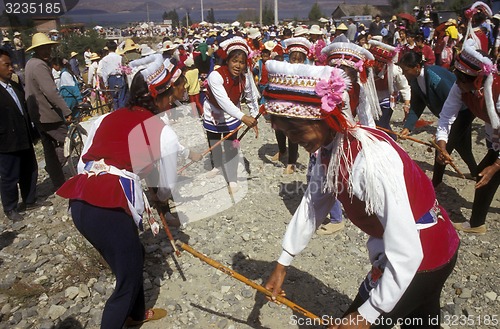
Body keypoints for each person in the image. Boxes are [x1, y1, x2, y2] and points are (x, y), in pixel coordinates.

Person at [262, 60, 459, 328]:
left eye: (296, 130)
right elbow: (313, 205)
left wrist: (369, 313)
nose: (294, 139)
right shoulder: (332, 148)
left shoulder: (368, 161)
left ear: (326, 117)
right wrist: (283, 262)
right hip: (430, 248)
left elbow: (407, 249)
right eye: (287, 133)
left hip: (422, 257)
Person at [56, 54, 183, 327]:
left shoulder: (108, 117)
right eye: (172, 92)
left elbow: (83, 162)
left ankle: (136, 315)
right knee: (125, 284)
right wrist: (156, 200)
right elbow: (166, 188)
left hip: (80, 200)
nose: (174, 99)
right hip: (108, 209)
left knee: (134, 256)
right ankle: (121, 317)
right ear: (159, 95)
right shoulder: (164, 132)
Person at [436, 39, 499, 234]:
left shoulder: (497, 91)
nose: (457, 83)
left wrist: (495, 166)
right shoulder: (461, 87)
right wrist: (442, 145)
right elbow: (446, 117)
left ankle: (476, 224)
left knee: (486, 173)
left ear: (478, 80)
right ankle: (477, 224)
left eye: (461, 79)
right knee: (484, 174)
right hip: (495, 139)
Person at [399, 51, 477, 186]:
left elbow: (451, 102)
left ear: (417, 67)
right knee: (464, 148)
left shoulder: (434, 77)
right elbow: (416, 106)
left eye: (406, 70)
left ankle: (435, 183)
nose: (403, 74)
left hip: (462, 113)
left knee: (442, 149)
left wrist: (442, 131)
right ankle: (477, 173)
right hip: (452, 115)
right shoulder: (416, 81)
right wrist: (408, 127)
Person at [203, 37, 259, 192]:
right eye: (235, 61)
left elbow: (251, 98)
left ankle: (232, 178)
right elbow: (223, 102)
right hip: (214, 112)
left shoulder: (244, 78)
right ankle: (217, 165)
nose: (238, 65)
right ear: (227, 60)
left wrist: (254, 115)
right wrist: (244, 117)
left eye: (241, 62)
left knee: (232, 146)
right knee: (214, 141)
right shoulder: (215, 76)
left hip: (232, 115)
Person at [0, 49, 45, 222]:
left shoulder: (14, 85)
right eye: (7, 65)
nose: (11, 68)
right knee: (10, 175)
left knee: (30, 169)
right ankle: (10, 207)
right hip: (6, 140)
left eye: (11, 64)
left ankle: (30, 199)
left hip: (23, 134)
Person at [24, 33, 72, 190]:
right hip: (47, 113)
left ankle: (57, 179)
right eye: (45, 48)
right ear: (38, 49)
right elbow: (50, 91)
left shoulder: (31, 63)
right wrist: (66, 110)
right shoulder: (39, 65)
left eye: (49, 48)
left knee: (49, 147)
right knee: (67, 140)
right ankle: (55, 169)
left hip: (38, 113)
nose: (48, 51)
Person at [270, 37, 312, 174]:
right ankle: (282, 150)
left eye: (300, 59)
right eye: (294, 59)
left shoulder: (309, 71)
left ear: (304, 59)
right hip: (281, 104)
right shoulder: (283, 69)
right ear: (289, 58)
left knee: (293, 132)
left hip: (297, 107)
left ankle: (292, 162)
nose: (296, 62)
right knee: (278, 129)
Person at [368, 39, 411, 139]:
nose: (376, 66)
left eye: (379, 63)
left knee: (381, 124)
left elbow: (404, 87)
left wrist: (406, 104)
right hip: (373, 98)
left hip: (388, 98)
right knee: (374, 124)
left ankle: (390, 140)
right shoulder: (368, 68)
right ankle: (392, 138)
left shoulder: (394, 71)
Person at [98, 40, 127, 110]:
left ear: (108, 48)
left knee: (114, 98)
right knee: (122, 97)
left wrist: (106, 84)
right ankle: (122, 113)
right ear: (116, 48)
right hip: (120, 77)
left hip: (111, 78)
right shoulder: (120, 57)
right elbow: (123, 69)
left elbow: (104, 73)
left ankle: (116, 114)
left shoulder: (105, 59)